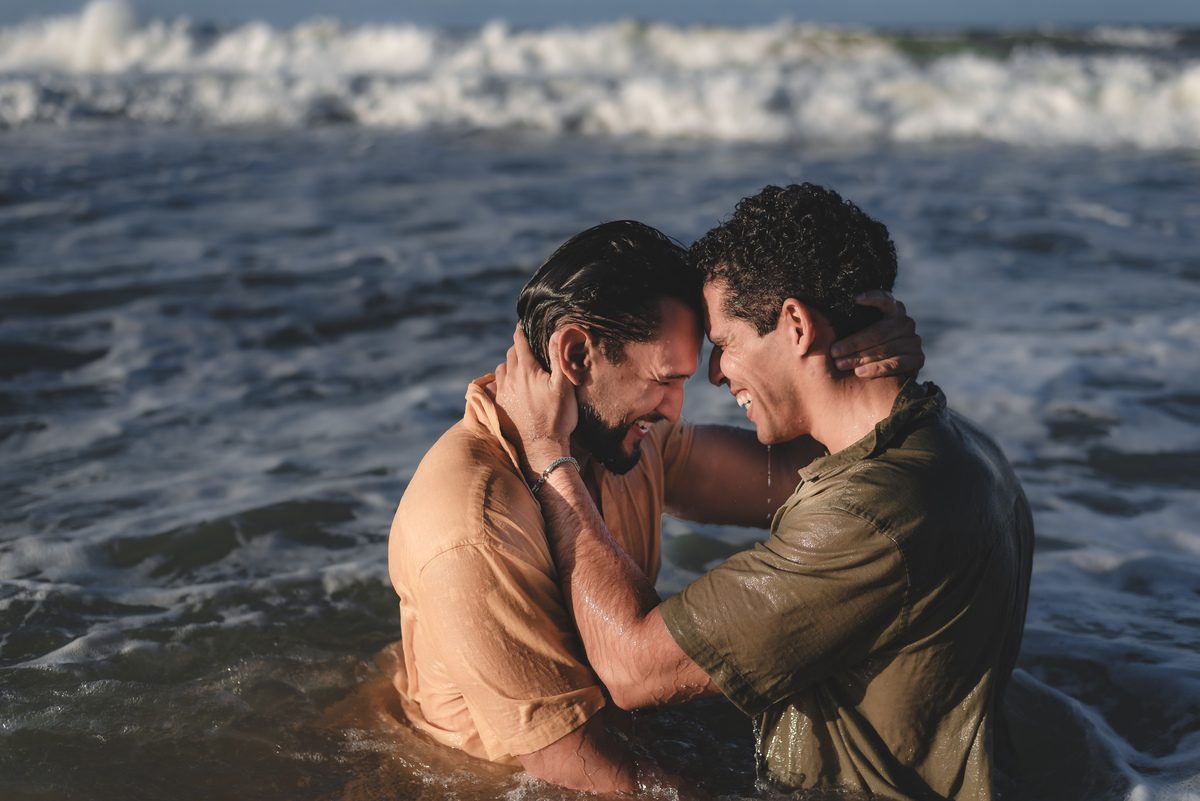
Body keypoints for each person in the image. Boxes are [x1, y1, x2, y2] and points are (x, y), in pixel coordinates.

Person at [494, 185, 1035, 800]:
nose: (715, 374)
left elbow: (632, 668)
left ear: (797, 324)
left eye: (723, 344)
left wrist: (548, 456)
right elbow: (702, 469)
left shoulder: (868, 516)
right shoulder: (958, 448)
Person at [386, 219, 924, 793]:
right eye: (665, 380)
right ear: (575, 354)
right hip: (477, 784)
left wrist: (861, 371)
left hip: (619, 740)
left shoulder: (616, 440)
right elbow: (576, 764)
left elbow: (798, 477)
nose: (675, 407)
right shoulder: (472, 524)